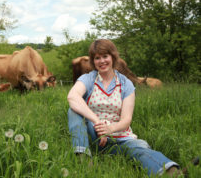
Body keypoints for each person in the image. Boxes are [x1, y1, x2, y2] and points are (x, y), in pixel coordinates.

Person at [67, 39, 197, 176]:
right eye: (97, 58)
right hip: (95, 135)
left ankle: (173, 172)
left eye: (105, 56)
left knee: (139, 150)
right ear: (93, 61)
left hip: (119, 138)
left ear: (113, 57)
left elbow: (126, 119)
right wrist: (97, 122)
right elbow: (72, 97)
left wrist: (109, 129)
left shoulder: (126, 84)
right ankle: (84, 159)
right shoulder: (88, 78)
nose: (102, 61)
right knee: (74, 110)